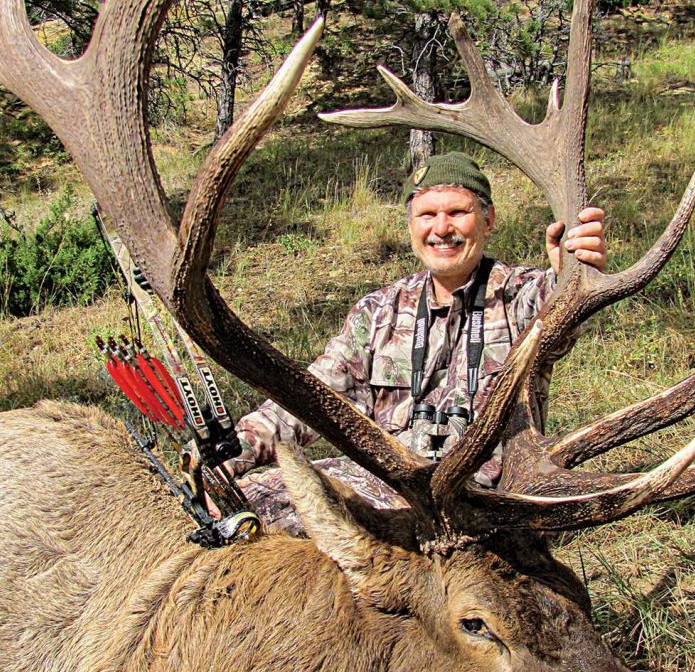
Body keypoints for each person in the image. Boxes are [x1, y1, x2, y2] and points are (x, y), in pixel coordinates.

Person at [228, 151, 606, 531]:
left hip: (486, 504)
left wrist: (572, 271)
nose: (441, 229)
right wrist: (233, 453)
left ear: (488, 221)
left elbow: (560, 319)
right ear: (411, 225)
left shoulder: (521, 296)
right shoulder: (379, 312)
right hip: (390, 486)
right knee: (245, 502)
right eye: (427, 215)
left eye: (458, 212)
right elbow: (310, 398)